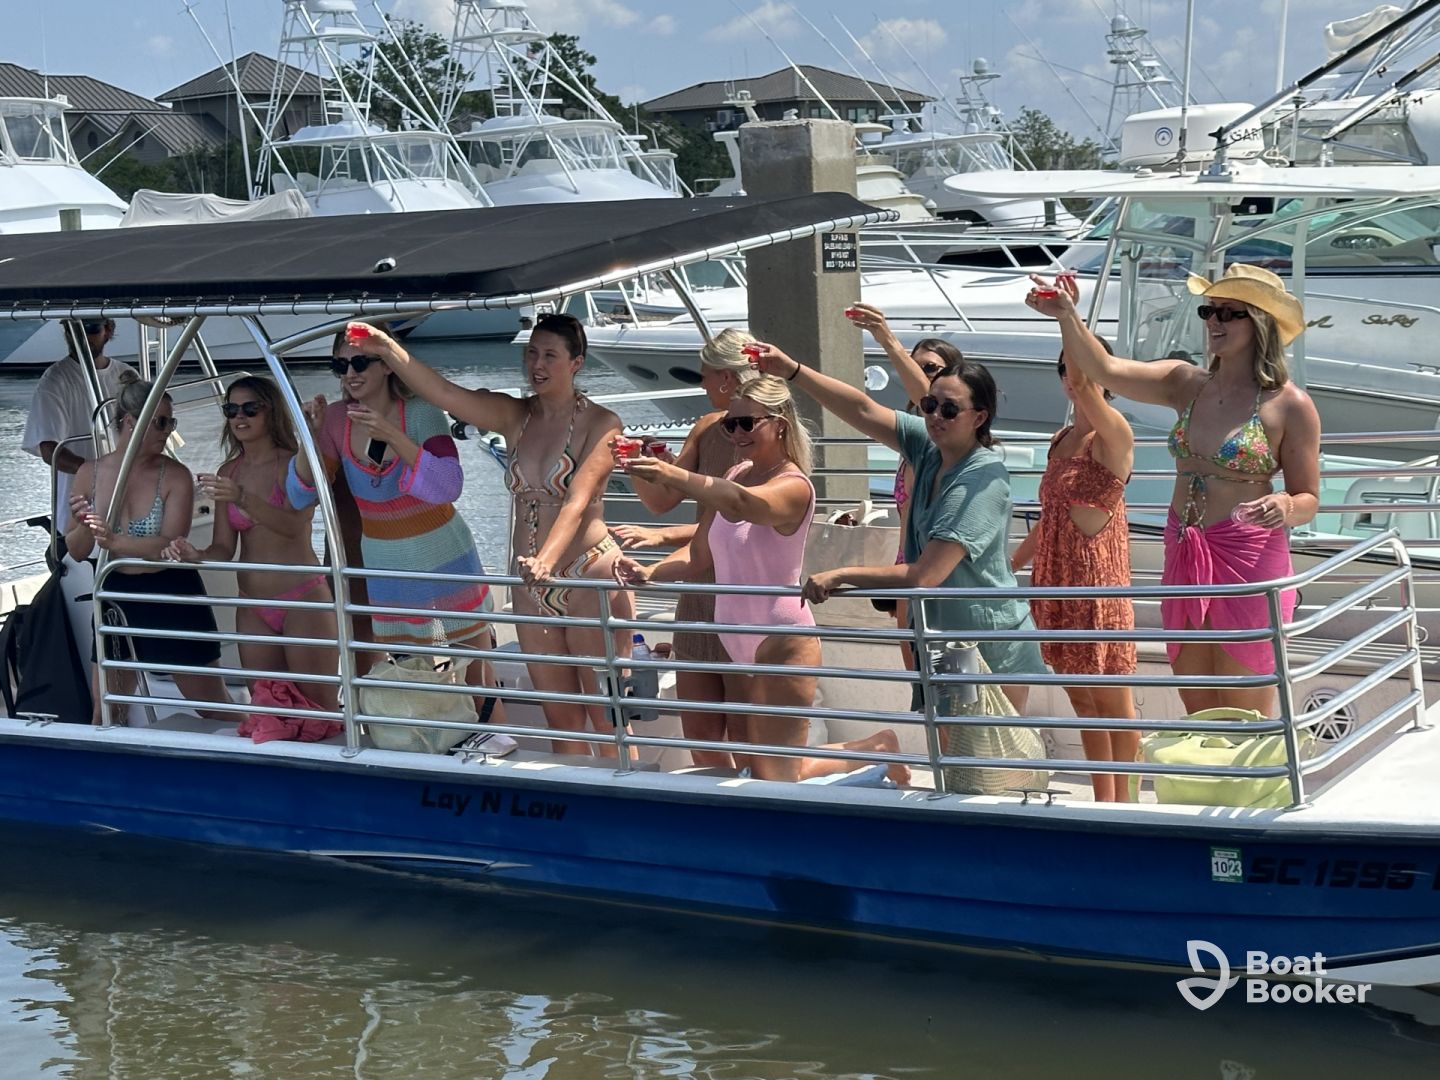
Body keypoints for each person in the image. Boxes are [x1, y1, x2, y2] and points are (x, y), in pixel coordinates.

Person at [1026, 264, 1321, 715]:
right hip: (1184, 548)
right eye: (1209, 311)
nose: (1214, 321)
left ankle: (1255, 763)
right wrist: (1068, 316)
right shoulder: (1186, 384)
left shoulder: (1290, 404)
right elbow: (1104, 369)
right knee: (1197, 703)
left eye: (1229, 313)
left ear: (1261, 323)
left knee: (1245, 708)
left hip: (1248, 557)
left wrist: (1285, 505)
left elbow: (1309, 498)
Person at [351, 314, 629, 757]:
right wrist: (387, 349)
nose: (537, 364)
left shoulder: (603, 422)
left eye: (550, 355)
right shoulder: (516, 415)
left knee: (607, 717)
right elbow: (444, 394)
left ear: (576, 362)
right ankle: (573, 797)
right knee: (561, 717)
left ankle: (623, 795)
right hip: (531, 584)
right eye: (531, 353)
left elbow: (577, 500)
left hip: (586, 573)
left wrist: (546, 560)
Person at [613, 376, 911, 784]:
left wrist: (670, 474)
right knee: (755, 764)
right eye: (729, 424)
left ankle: (877, 747)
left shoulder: (794, 486)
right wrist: (650, 572)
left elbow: (742, 504)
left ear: (779, 424)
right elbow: (700, 553)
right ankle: (874, 750)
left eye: (746, 423)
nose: (736, 433)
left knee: (777, 773)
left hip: (780, 639)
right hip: (734, 638)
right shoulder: (736, 472)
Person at [763, 345, 1046, 712]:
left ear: (979, 418)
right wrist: (793, 370)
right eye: (930, 405)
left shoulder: (981, 478)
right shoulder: (928, 448)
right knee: (947, 738)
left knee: (987, 745)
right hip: (944, 637)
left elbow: (925, 575)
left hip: (987, 641)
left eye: (950, 410)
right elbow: (863, 409)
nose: (936, 416)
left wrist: (842, 575)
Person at [286, 327, 503, 725]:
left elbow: (448, 485)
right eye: (340, 365)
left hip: (445, 557)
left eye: (359, 362)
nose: (350, 374)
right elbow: (300, 495)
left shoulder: (420, 412)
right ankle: (432, 746)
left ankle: (496, 747)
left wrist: (390, 435)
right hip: (387, 567)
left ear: (387, 364)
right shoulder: (335, 420)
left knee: (477, 677)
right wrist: (309, 439)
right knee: (411, 677)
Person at [611, 327, 756, 769]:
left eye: (705, 375)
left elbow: (737, 522)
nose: (702, 383)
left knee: (748, 735)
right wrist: (635, 464)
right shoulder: (706, 428)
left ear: (727, 379)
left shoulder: (764, 439)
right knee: (701, 731)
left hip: (745, 592)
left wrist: (661, 543)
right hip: (698, 589)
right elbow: (662, 502)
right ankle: (721, 807)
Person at [163, 377, 340, 714]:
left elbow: (293, 527)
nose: (239, 417)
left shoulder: (293, 463)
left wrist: (243, 498)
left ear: (271, 411)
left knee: (319, 708)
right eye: (231, 410)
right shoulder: (230, 471)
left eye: (250, 408)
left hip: (303, 599)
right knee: (266, 709)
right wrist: (196, 555)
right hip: (252, 605)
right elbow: (223, 547)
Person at [1010, 341, 1139, 801]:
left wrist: (1065, 322)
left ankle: (1126, 807)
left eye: (1082, 366)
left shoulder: (1113, 433)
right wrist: (1011, 565)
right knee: (1083, 702)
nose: (1073, 377)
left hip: (1097, 584)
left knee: (1114, 705)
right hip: (1056, 581)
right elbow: (1051, 519)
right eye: (1065, 368)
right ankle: (1103, 800)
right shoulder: (1060, 439)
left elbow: (1088, 392)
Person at [64, 373, 230, 725]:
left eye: (171, 422)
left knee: (213, 706)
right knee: (107, 710)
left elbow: (169, 543)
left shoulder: (175, 475)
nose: (168, 431)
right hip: (115, 593)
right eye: (161, 422)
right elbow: (76, 550)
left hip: (169, 591)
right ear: (130, 422)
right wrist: (83, 525)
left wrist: (115, 541)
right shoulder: (89, 473)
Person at [22, 318, 137, 534]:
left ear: (108, 330)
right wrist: (98, 473)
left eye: (90, 328)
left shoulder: (127, 375)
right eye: (72, 329)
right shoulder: (54, 381)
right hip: (78, 513)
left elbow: (146, 435)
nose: (80, 336)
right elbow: (50, 451)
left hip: (129, 502)